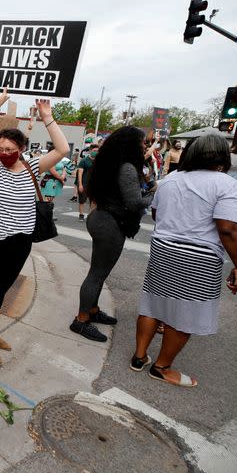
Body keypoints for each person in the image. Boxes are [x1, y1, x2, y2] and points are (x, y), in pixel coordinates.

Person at [131, 133, 237, 387]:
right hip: (199, 257)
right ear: (222, 157)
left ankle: (139, 357)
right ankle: (162, 367)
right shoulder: (226, 184)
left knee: (152, 304)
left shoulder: (171, 179)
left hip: (163, 250)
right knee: (185, 314)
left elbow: (155, 213)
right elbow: (228, 228)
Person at [0, 89, 69, 364]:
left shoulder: (32, 167)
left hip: (20, 242)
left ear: (21, 150)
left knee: (2, 288)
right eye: (1, 149)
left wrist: (48, 117)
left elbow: (62, 150)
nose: (4, 154)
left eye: (10, 150)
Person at [71, 126, 155, 342]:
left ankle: (92, 309)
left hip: (101, 218)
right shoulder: (126, 167)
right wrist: (155, 195)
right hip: (110, 224)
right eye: (142, 142)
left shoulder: (110, 162)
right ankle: (81, 320)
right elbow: (134, 203)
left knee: (99, 271)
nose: (144, 145)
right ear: (131, 144)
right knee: (97, 273)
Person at [76, 144, 98, 221]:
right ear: (90, 151)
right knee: (82, 200)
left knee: (94, 201)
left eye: (97, 151)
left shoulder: (98, 161)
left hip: (94, 184)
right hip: (84, 183)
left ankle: (90, 215)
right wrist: (80, 184)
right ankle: (81, 215)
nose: (96, 152)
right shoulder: (84, 161)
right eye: (94, 151)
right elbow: (80, 173)